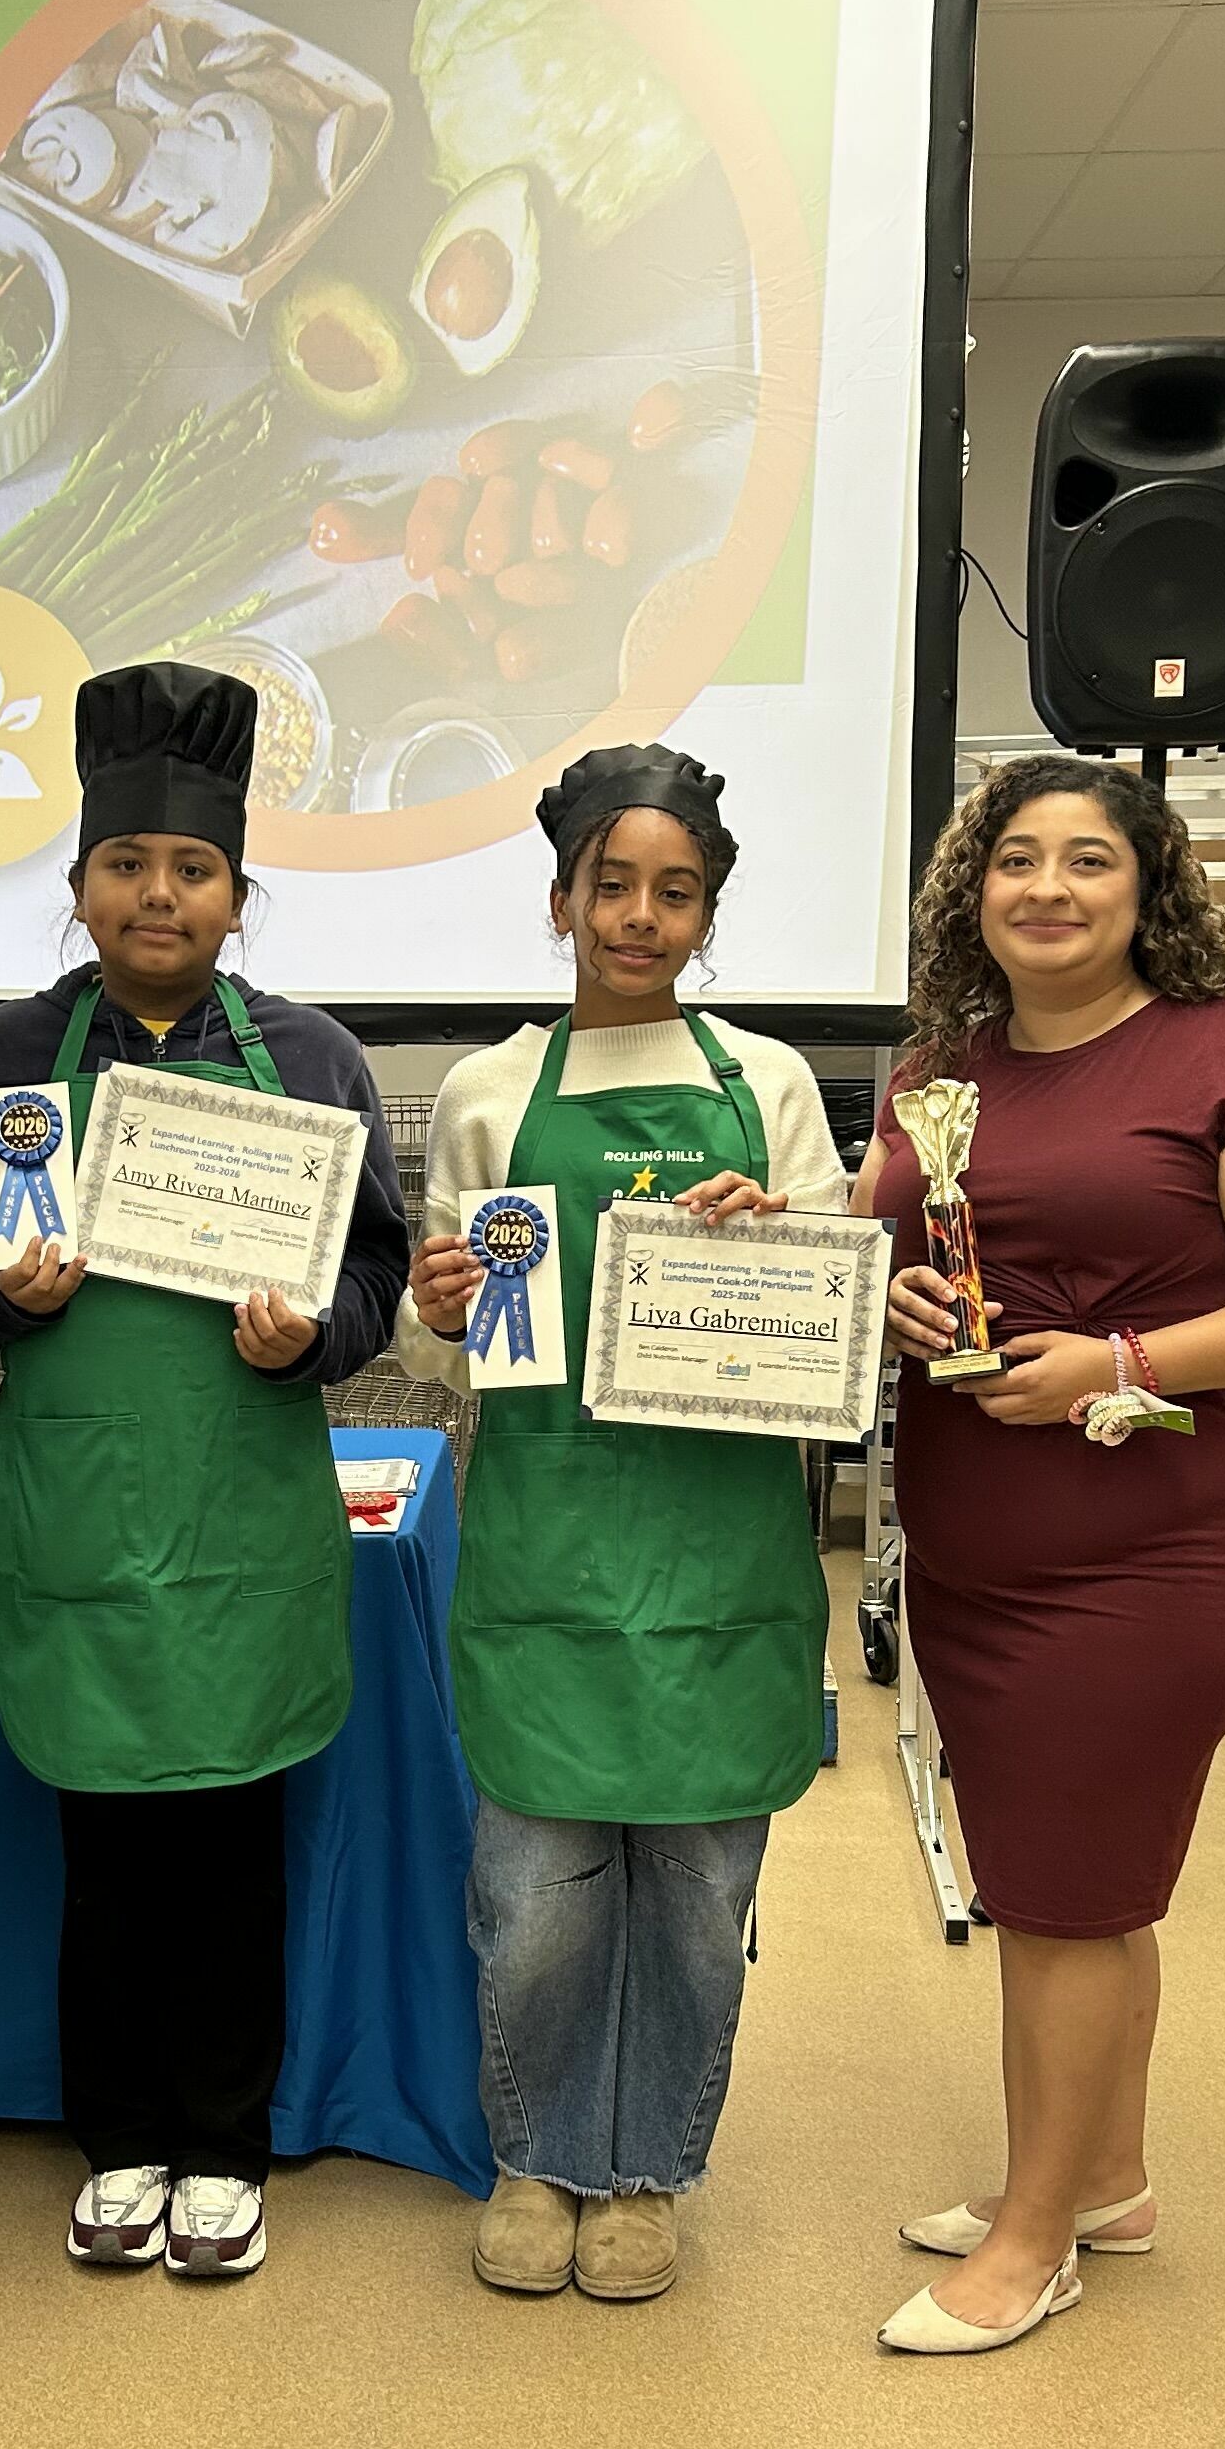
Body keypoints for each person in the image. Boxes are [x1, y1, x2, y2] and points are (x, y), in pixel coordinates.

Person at [863, 753, 1225, 2356]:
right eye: (1015, 859)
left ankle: (1033, 2244)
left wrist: (1122, 1361)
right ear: (975, 893)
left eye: (1089, 859)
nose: (1048, 888)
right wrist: (887, 1293)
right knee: (1081, 1883)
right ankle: (1106, 2180)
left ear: (1151, 885)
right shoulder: (937, 1074)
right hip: (975, 1548)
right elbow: (870, 1250)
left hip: (1151, 1551)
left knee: (1063, 1901)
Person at [0, 661, 409, 2282]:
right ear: (79, 888)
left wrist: (313, 1340)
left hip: (238, 1523)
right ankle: (120, 2137)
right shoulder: (5, 1052)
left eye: (192, 868)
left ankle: (223, 2143)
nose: (159, 893)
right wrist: (6, 1295)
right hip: (79, 1513)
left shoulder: (316, 1062)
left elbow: (374, 1273)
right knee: (104, 1858)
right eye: (126, 864)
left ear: (236, 895)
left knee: (229, 1854)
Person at [395, 746, 849, 2304]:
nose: (639, 917)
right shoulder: (489, 1093)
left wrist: (779, 1248)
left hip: (721, 1556)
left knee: (703, 1906)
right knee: (534, 1905)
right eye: (612, 886)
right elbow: (443, 1358)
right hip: (549, 1544)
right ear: (562, 899)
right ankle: (536, 2156)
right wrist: (435, 1304)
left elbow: (834, 1328)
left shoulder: (770, 1088)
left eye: (676, 892)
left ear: (707, 914)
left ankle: (650, 2168)